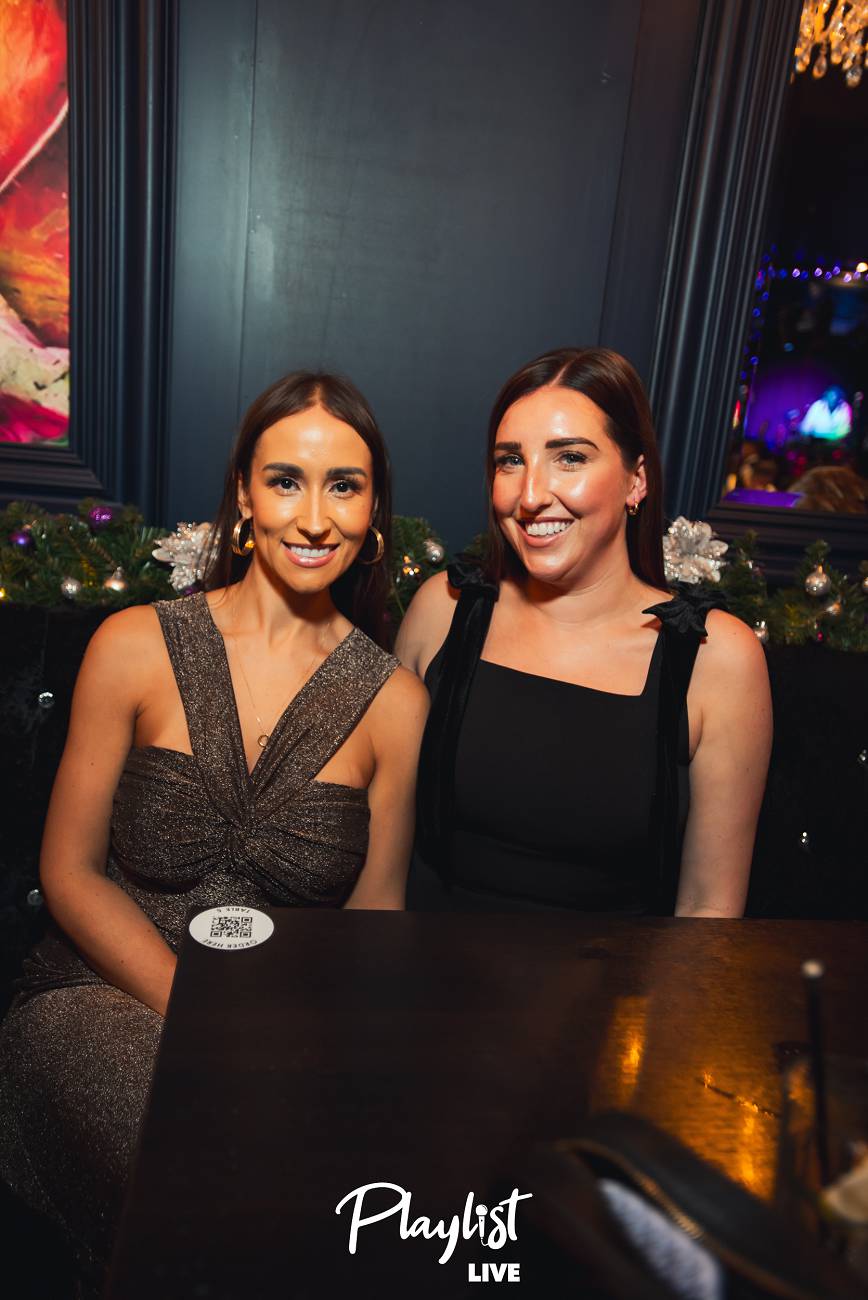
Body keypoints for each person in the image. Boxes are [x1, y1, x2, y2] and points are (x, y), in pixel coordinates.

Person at [0, 371, 428, 1291]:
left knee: (343, 1197)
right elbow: (68, 872)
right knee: (214, 1167)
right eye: (286, 481)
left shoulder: (396, 703)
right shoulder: (134, 645)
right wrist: (208, 1019)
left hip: (281, 1028)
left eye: (344, 486)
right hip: (97, 995)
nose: (313, 518)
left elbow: (376, 917)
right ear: (243, 495)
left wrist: (331, 1054)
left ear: (373, 512)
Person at [396, 347, 771, 916]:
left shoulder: (714, 657)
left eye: (569, 457)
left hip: (615, 976)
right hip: (426, 968)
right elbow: (384, 849)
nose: (530, 495)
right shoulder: (443, 611)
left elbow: (708, 910)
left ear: (636, 481)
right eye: (510, 460)